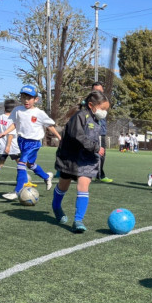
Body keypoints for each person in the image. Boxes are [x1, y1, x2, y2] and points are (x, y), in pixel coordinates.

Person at [51, 90, 109, 233]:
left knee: (83, 187)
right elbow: (78, 135)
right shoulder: (80, 116)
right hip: (70, 158)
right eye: (103, 108)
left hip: (86, 160)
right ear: (91, 105)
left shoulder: (97, 120)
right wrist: (96, 147)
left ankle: (78, 220)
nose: (104, 112)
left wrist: (97, 148)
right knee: (63, 186)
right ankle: (56, 206)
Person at [0, 84, 61, 200]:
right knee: (30, 164)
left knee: (21, 164)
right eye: (23, 98)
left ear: (36, 99)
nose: (26, 100)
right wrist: (5, 132)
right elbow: (14, 124)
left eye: (29, 98)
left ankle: (17, 191)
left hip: (34, 143)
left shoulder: (39, 113)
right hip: (21, 141)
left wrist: (59, 137)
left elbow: (49, 126)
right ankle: (46, 176)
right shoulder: (18, 110)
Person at [0, 99, 37, 188]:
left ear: (5, 108)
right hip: (12, 146)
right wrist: (8, 146)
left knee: (0, 163)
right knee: (21, 163)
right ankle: (25, 182)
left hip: (1, 146)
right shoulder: (13, 120)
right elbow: (11, 134)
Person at [90, 82, 113, 183]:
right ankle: (99, 175)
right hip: (92, 131)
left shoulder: (104, 102)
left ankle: (98, 174)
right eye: (95, 90)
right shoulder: (89, 102)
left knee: (101, 154)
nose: (98, 92)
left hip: (101, 132)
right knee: (97, 153)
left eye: (99, 90)